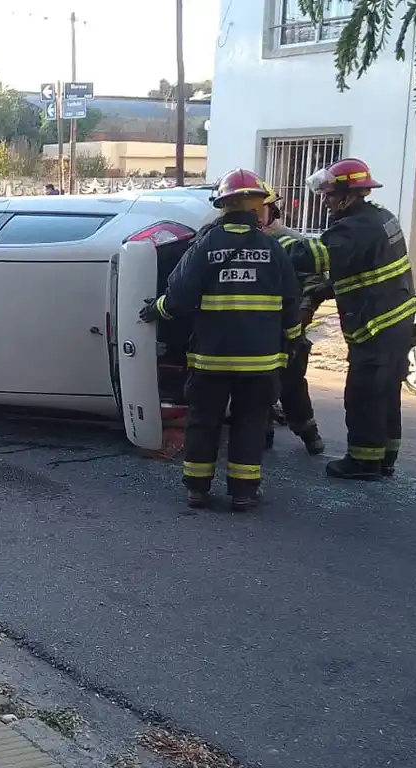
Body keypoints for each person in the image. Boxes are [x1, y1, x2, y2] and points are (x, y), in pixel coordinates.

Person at [140, 168, 300, 512]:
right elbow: (291, 306)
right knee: (250, 423)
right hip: (260, 363)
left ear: (223, 206)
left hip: (211, 359)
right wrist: (289, 347)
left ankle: (197, 489)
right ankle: (243, 492)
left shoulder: (205, 246)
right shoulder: (274, 250)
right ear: (258, 208)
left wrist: (156, 310)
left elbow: (179, 297)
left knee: (204, 421)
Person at [272, 157, 416, 481]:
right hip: (396, 321)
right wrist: (323, 291)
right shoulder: (380, 218)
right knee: (385, 393)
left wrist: (276, 237)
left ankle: (363, 462)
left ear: (348, 195)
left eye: (328, 196)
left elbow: (312, 257)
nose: (325, 202)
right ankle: (385, 458)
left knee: (363, 394)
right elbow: (357, 270)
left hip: (375, 325)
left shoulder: (354, 228)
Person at [259, 189, 327, 456]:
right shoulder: (246, 242)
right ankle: (262, 437)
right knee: (259, 386)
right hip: (259, 329)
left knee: (292, 385)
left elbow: (316, 283)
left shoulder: (290, 241)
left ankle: (310, 435)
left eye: (259, 211)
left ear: (272, 212)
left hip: (287, 328)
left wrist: (302, 316)